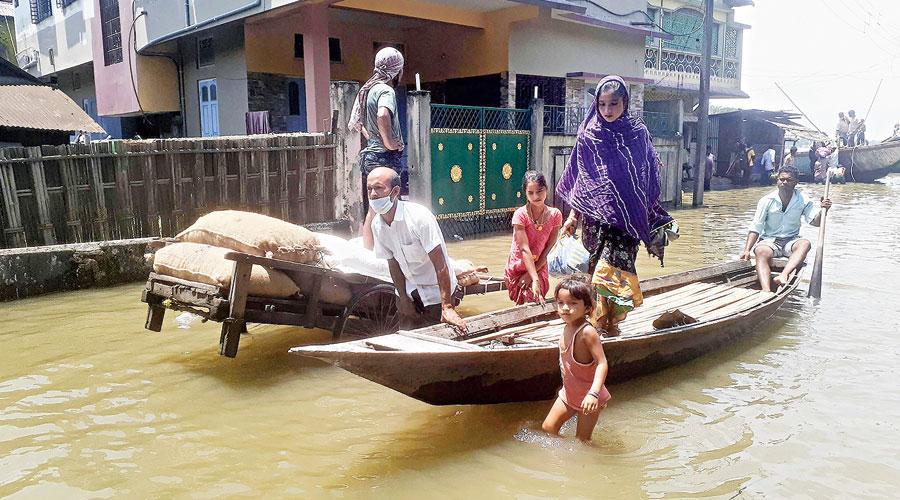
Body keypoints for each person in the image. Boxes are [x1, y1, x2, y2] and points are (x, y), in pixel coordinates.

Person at [556, 75, 676, 337]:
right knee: (595, 273)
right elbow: (581, 182)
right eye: (602, 104)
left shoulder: (637, 133)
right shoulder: (589, 136)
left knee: (612, 274)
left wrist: (649, 214)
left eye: (614, 104)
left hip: (626, 221)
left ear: (625, 103)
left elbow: (646, 175)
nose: (608, 110)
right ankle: (598, 326)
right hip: (594, 221)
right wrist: (572, 217)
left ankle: (611, 324)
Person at [366, 167, 467, 332]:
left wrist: (447, 306)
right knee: (406, 341)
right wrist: (404, 298)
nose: (373, 194)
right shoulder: (377, 225)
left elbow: (440, 264)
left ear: (395, 191)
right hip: (410, 292)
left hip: (436, 293)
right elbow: (393, 264)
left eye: (378, 188)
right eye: (369, 189)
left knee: (437, 344)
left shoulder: (419, 217)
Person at [739, 166, 832, 292]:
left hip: (791, 241)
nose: (784, 182)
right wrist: (747, 250)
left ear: (796, 183)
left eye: (789, 180)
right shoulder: (767, 200)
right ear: (777, 181)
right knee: (760, 251)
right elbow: (756, 226)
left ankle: (784, 275)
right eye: (781, 179)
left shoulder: (802, 199)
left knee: (805, 244)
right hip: (770, 241)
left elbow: (815, 222)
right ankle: (766, 291)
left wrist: (823, 210)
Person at [349, 47, 406, 250]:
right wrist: (389, 142)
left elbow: (359, 124)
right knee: (388, 207)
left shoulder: (368, 90)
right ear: (396, 69)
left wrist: (374, 139)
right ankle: (385, 252)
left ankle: (369, 249)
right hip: (384, 157)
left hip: (371, 155)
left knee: (374, 208)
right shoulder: (385, 90)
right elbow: (383, 115)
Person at [541, 278, 611, 442]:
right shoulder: (567, 326)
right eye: (561, 303)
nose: (565, 308)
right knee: (548, 428)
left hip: (589, 395)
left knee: (582, 441)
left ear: (587, 307)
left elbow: (602, 363)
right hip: (569, 393)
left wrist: (593, 394)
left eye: (573, 303)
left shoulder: (587, 332)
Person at [504, 171, 563, 305]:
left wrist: (534, 276)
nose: (535, 196)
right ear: (525, 193)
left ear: (546, 189)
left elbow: (549, 248)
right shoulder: (520, 215)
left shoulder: (555, 215)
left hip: (540, 265)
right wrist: (532, 278)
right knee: (527, 298)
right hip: (518, 266)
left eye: (539, 191)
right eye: (530, 193)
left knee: (535, 297)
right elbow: (524, 249)